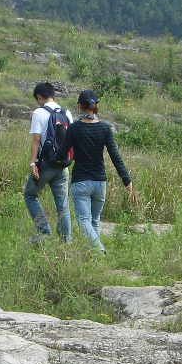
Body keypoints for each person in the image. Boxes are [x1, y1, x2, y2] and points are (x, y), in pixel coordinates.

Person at [62, 89, 136, 253]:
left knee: (83, 220)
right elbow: (115, 156)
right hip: (100, 182)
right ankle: (96, 257)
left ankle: (99, 250)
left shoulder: (74, 128)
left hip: (81, 181)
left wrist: (55, 164)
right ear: (95, 107)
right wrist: (127, 180)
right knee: (95, 220)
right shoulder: (105, 128)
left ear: (80, 106)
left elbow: (62, 154)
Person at [25, 82, 73, 243]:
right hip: (63, 165)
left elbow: (36, 140)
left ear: (39, 97)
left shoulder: (39, 112)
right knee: (63, 204)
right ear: (53, 95)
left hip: (46, 165)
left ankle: (44, 231)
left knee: (30, 195)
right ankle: (66, 241)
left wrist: (33, 163)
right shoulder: (67, 113)